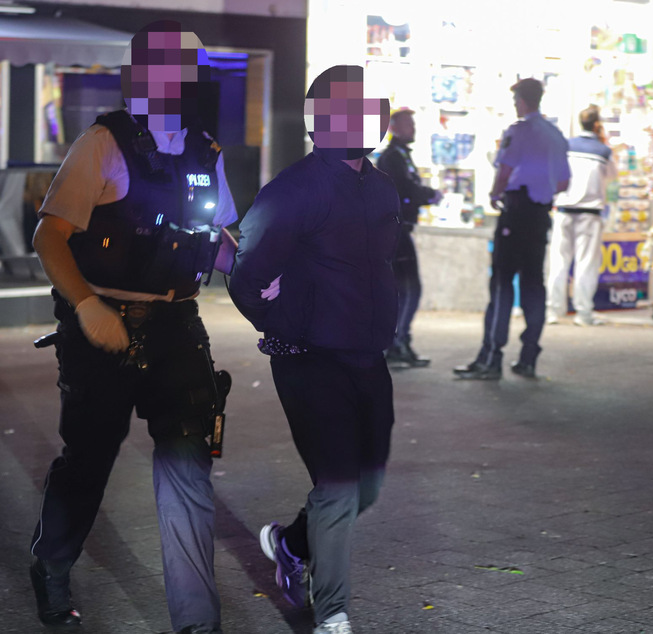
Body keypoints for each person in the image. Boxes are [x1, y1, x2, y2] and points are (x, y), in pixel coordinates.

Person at [27, 21, 238, 634]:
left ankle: (197, 621)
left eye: (192, 72)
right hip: (104, 330)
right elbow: (49, 234)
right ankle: (52, 564)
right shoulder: (103, 143)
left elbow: (219, 237)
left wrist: (259, 280)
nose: (187, 83)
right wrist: (88, 308)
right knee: (89, 460)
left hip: (177, 322)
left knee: (187, 465)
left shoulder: (204, 149)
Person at [229, 65, 398, 634]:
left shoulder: (380, 188)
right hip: (307, 359)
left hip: (369, 357)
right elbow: (245, 277)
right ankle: (333, 613)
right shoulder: (293, 190)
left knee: (365, 488)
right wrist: (286, 323)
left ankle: (289, 544)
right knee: (337, 486)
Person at [454, 78, 569, 380]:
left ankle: (491, 359)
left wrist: (495, 195)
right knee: (534, 285)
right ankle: (529, 356)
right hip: (540, 215)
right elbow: (563, 182)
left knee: (503, 284)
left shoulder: (518, 132)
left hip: (516, 212)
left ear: (521, 100)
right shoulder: (556, 135)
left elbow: (504, 171)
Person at [376, 108, 442, 367]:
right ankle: (396, 344)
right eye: (407, 124)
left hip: (400, 230)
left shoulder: (401, 155)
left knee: (406, 290)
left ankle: (399, 342)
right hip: (395, 231)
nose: (412, 128)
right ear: (393, 128)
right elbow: (403, 189)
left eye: (413, 123)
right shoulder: (393, 157)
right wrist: (428, 195)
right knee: (408, 290)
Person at [546, 105, 617, 327]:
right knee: (586, 264)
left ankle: (552, 310)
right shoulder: (603, 151)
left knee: (558, 262)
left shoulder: (566, 146)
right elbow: (612, 178)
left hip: (564, 210)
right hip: (590, 214)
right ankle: (583, 312)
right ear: (597, 125)